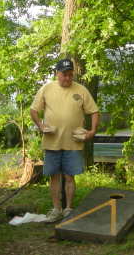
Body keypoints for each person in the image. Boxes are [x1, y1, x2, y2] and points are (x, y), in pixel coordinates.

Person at [30, 58, 100, 222]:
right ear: (57, 73)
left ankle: (68, 209)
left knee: (70, 176)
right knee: (54, 176)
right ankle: (56, 209)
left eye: (70, 75)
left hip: (74, 141)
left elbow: (94, 111)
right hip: (52, 141)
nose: (67, 78)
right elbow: (34, 110)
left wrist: (92, 131)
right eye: (64, 75)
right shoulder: (47, 88)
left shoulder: (81, 90)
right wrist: (40, 125)